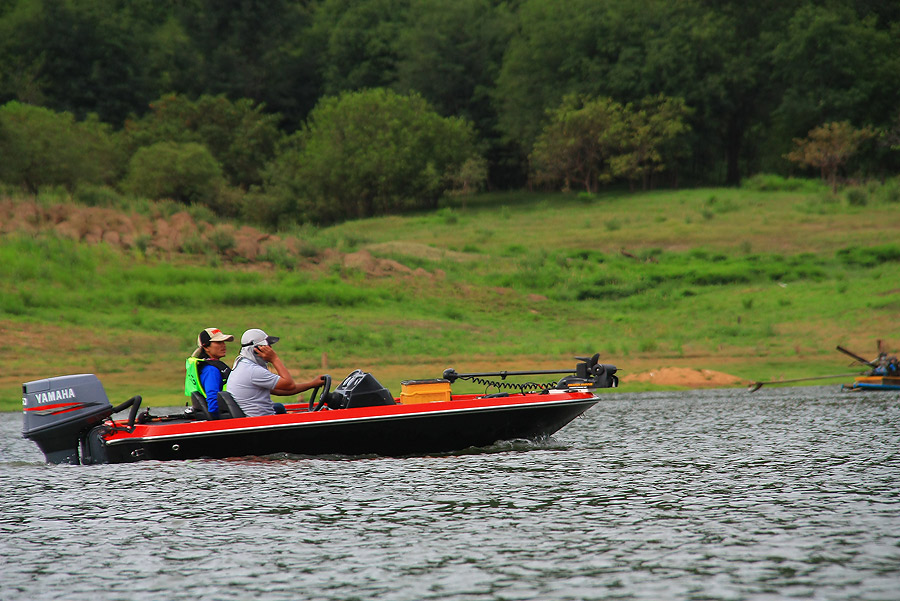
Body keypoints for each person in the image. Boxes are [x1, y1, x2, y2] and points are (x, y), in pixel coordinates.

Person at [228, 328, 326, 417]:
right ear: (256, 350)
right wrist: (274, 359)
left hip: (256, 419)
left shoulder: (244, 365)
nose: (271, 348)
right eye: (268, 346)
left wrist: (312, 384)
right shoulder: (252, 370)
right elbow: (289, 385)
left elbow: (281, 390)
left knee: (279, 408)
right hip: (261, 422)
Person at [184, 327, 235, 420]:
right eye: (219, 342)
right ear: (206, 346)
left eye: (223, 342)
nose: (223, 345)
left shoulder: (206, 367)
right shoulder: (211, 370)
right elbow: (213, 403)